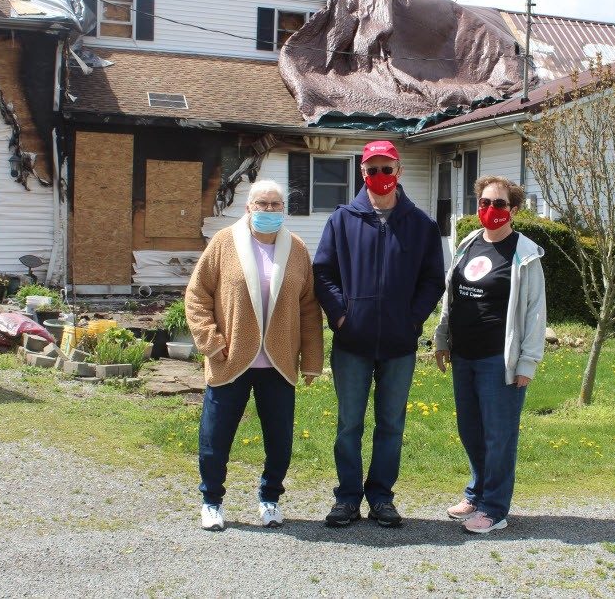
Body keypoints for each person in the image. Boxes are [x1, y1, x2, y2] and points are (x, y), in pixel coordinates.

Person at [313, 140, 445, 528]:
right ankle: (348, 498)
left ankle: (382, 498)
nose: (380, 176)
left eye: (387, 169)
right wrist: (340, 315)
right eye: (373, 170)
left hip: (399, 346)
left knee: (391, 424)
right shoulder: (342, 220)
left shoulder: (421, 224)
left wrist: (413, 320)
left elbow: (432, 280)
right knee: (349, 423)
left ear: (399, 172)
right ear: (363, 173)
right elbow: (323, 272)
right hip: (352, 343)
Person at [185, 179, 324, 531]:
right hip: (229, 358)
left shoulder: (296, 248)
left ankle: (270, 499)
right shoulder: (223, 243)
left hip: (278, 362)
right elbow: (197, 295)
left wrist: (311, 360)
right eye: (262, 204)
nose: (269, 211)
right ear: (248, 208)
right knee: (215, 437)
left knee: (279, 439)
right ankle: (211, 501)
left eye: (276, 205)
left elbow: (308, 308)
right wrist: (210, 340)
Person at [434, 175, 546, 534]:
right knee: (470, 430)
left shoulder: (524, 254)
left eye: (499, 204)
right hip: (464, 355)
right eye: (484, 202)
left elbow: (534, 312)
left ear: (513, 210)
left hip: (500, 360)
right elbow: (452, 295)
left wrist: (528, 361)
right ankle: (477, 491)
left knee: (499, 434)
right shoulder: (469, 244)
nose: (490, 210)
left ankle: (495, 509)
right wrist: (442, 339)